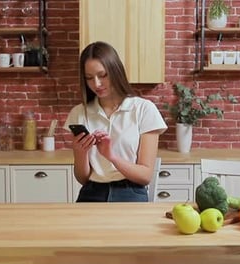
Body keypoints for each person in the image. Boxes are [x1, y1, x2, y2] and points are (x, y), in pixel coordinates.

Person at [63, 41, 167, 202]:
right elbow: (83, 179)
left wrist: (111, 156)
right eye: (89, 78)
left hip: (131, 192)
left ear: (115, 71)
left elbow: (145, 176)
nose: (96, 84)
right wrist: (80, 152)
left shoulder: (144, 109)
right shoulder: (79, 113)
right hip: (91, 193)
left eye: (102, 75)